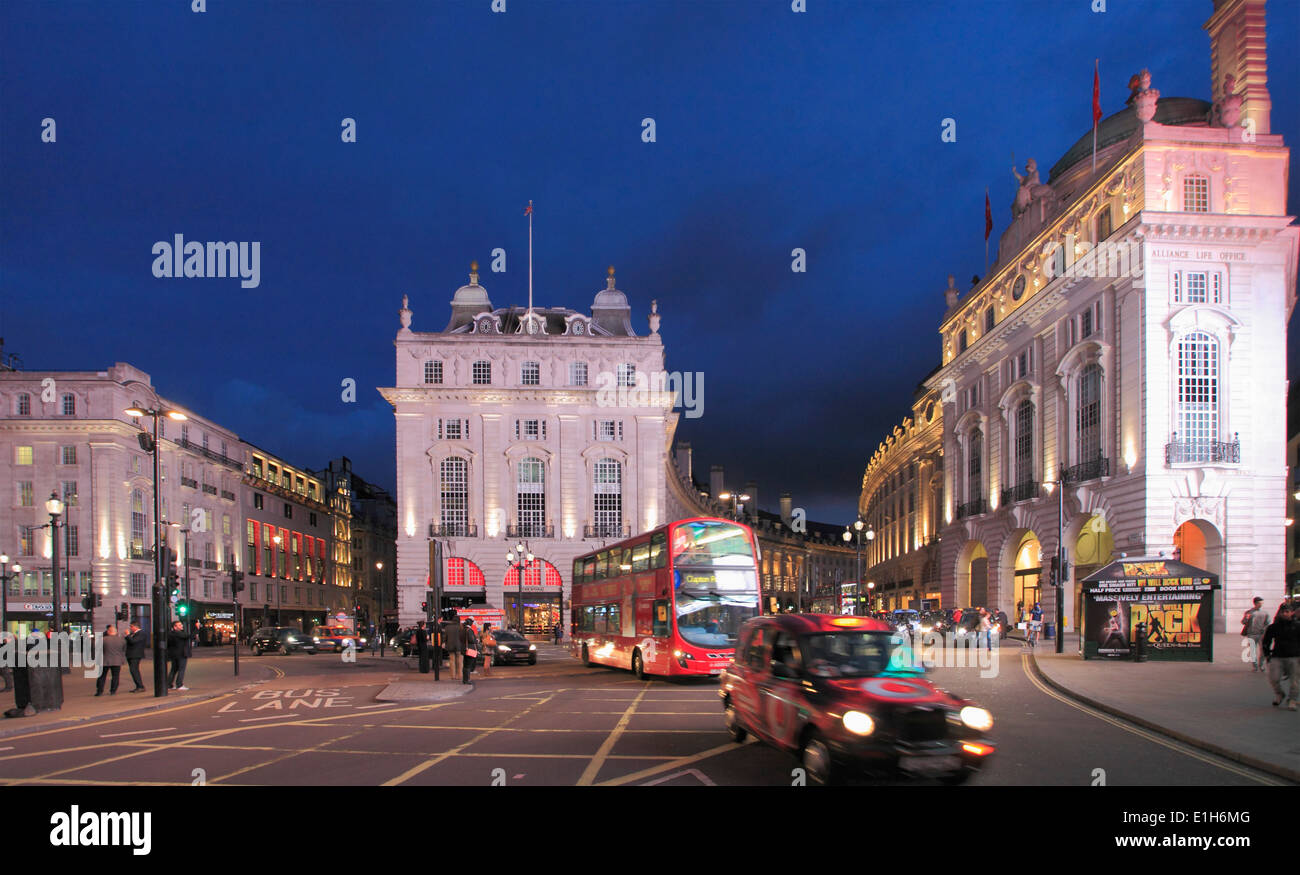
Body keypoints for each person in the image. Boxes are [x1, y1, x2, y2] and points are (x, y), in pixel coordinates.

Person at [1262, 602, 1300, 709]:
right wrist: (1267, 654)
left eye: (1287, 612)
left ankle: (1292, 700)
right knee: (1273, 678)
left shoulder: (1297, 626)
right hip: (1277, 656)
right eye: (1282, 612)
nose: (1284, 614)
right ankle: (1279, 694)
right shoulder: (1274, 627)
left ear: (1292, 612)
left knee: (1295, 681)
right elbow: (1266, 641)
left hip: (1294, 656)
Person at [95, 625, 126, 696]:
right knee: (115, 676)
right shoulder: (122, 640)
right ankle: (113, 691)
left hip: (105, 660)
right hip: (117, 661)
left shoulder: (103, 639)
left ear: (108, 632)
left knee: (102, 676)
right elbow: (123, 650)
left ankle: (99, 691)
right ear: (116, 632)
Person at [1242, 597, 1269, 671]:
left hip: (1261, 634)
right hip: (1251, 634)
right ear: (1255, 603)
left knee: (1263, 650)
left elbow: (1268, 623)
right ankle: (1255, 666)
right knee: (1252, 650)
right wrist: (1246, 618)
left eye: (1262, 603)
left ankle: (1261, 665)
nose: (1261, 605)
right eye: (1260, 603)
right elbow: (1243, 622)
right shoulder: (1249, 612)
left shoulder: (1265, 612)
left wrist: (1264, 629)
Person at [165, 620, 193, 691]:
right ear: (175, 627)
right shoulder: (179, 634)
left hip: (173, 654)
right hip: (181, 654)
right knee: (181, 669)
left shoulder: (170, 634)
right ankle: (179, 684)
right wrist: (196, 628)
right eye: (179, 625)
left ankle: (169, 684)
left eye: (181, 625)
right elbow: (188, 636)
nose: (182, 626)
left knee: (173, 669)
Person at [124, 621, 147, 692]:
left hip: (136, 654)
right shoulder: (133, 634)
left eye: (131, 627)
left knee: (134, 670)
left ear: (135, 627)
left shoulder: (141, 633)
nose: (130, 628)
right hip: (131, 654)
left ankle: (140, 686)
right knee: (133, 670)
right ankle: (138, 685)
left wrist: (127, 635)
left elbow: (133, 641)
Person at [443, 612, 465, 681]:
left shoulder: (447, 627)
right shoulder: (461, 627)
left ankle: (453, 676)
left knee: (452, 661)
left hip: (450, 646)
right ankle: (460, 675)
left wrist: (445, 643)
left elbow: (445, 637)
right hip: (459, 647)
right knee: (460, 661)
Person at [462, 618, 479, 685]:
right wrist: (476, 640)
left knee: (465, 665)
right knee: (468, 665)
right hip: (470, 649)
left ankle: (464, 679)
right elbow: (472, 640)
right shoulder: (469, 630)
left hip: (464, 649)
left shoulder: (462, 630)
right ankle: (467, 679)